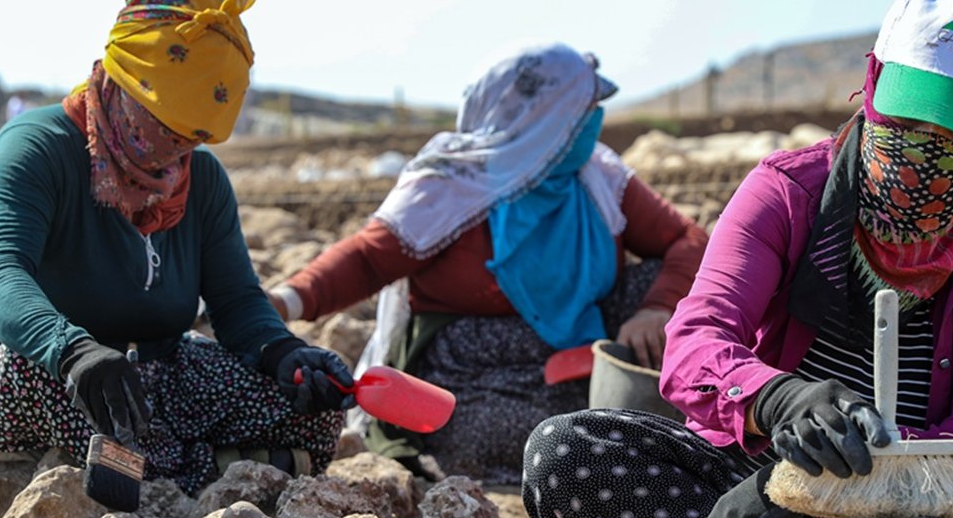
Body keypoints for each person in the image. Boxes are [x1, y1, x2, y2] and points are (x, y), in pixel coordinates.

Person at [523, 0, 953, 518]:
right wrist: (780, 399)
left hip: (911, 499)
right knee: (565, 454)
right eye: (909, 109)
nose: (924, 140)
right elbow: (695, 345)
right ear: (873, 85)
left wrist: (802, 491)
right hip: (745, 479)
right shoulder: (786, 191)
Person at [0, 0, 354, 495]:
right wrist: (74, 351)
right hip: (30, 371)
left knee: (310, 406)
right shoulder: (36, 148)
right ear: (127, 82)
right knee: (43, 383)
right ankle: (221, 471)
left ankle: (169, 471)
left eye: (191, 137)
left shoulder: (202, 182)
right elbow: (0, 276)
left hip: (148, 375)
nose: (176, 147)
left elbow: (237, 302)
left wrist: (283, 354)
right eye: (165, 124)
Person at [266, 42, 708, 485]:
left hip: (588, 337)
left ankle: (637, 420)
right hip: (478, 366)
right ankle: (616, 433)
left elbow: (687, 239)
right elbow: (366, 260)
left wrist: (657, 308)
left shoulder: (598, 176)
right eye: (584, 109)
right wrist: (282, 303)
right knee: (495, 435)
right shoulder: (451, 184)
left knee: (682, 299)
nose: (594, 120)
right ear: (544, 120)